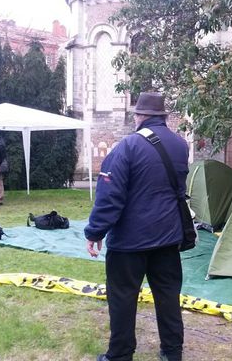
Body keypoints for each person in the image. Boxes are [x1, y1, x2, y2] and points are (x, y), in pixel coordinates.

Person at [85, 92, 188, 361]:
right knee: (168, 297)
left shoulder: (128, 146)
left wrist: (95, 232)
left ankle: (120, 355)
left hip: (130, 242)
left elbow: (110, 196)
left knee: (122, 299)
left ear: (139, 116)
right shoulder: (180, 145)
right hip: (167, 237)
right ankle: (172, 353)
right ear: (162, 116)